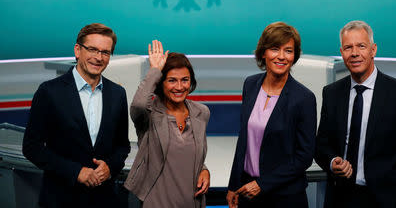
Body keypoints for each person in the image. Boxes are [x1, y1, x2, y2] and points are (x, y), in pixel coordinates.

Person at [315, 20, 396, 208]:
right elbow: (322, 146)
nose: (355, 53)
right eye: (348, 47)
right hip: (341, 199)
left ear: (373, 50)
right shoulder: (331, 93)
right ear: (342, 53)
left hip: (388, 201)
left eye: (361, 46)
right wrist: (333, 161)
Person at [22, 23, 131, 208]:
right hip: (61, 199)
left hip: (104, 200)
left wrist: (110, 167)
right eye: (92, 49)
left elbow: (122, 146)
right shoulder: (49, 92)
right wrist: (76, 172)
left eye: (105, 52)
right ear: (78, 50)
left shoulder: (117, 94)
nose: (99, 57)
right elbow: (32, 147)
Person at [227, 22, 317, 208]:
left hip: (285, 198)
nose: (282, 57)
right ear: (263, 52)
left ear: (295, 56)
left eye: (288, 51)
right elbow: (244, 139)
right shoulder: (250, 85)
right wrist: (233, 185)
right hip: (247, 192)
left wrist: (262, 184)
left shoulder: (304, 98)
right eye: (275, 49)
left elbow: (304, 157)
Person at [124, 40, 210, 208]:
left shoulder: (201, 113)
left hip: (191, 201)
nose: (179, 87)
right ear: (160, 83)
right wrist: (155, 70)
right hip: (155, 202)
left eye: (185, 80)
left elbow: (190, 154)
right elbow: (138, 104)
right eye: (172, 80)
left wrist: (204, 169)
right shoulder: (149, 114)